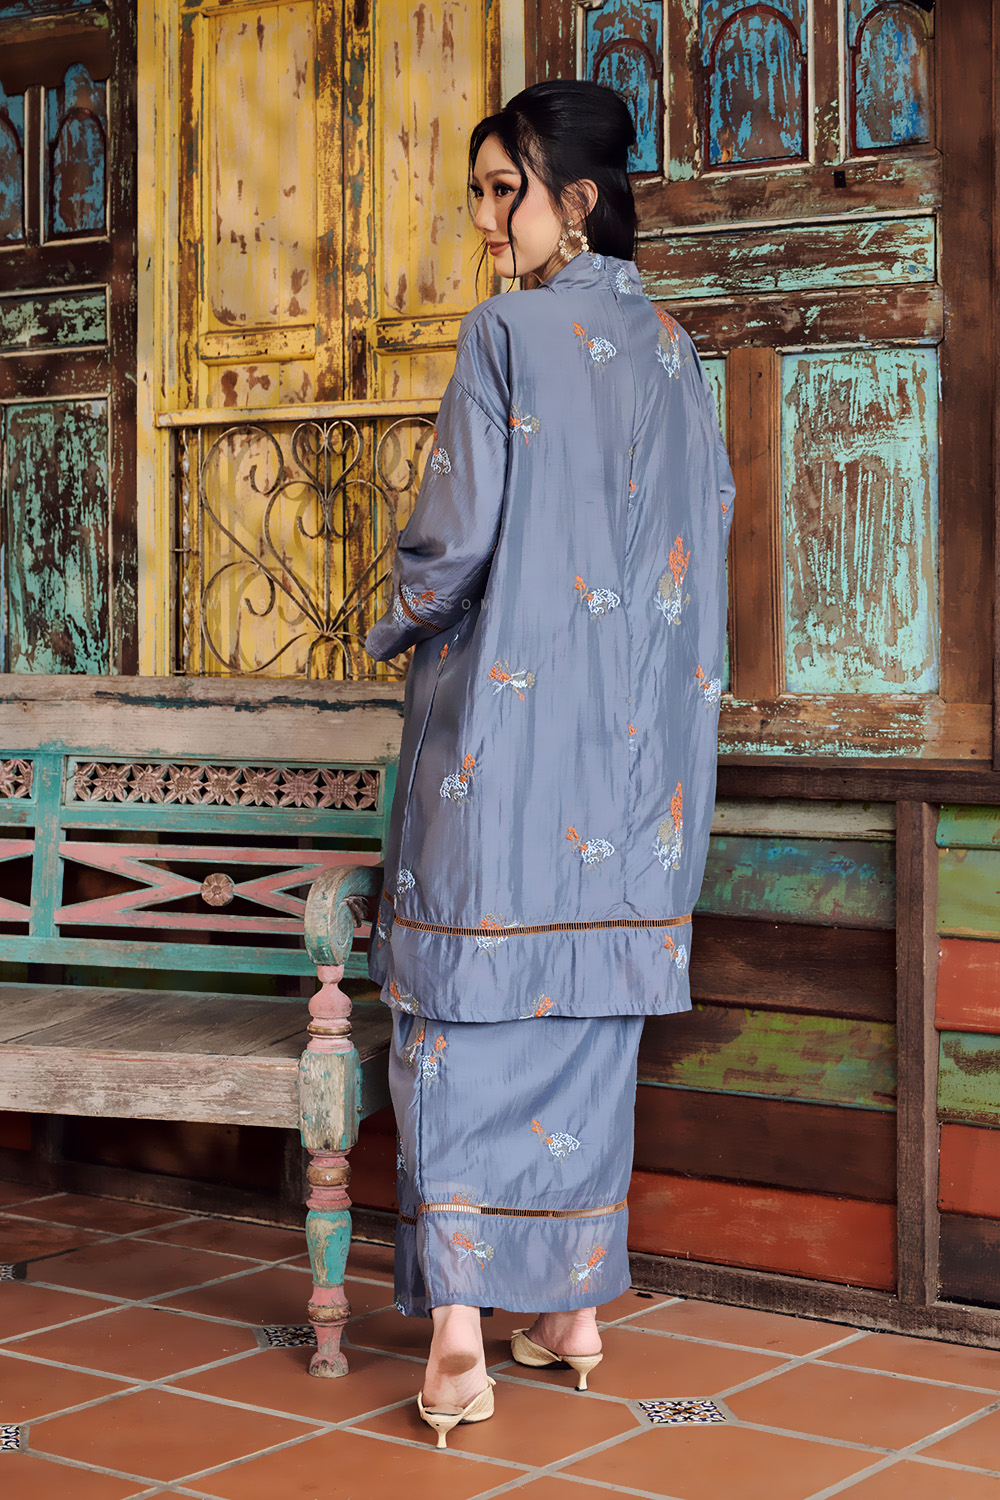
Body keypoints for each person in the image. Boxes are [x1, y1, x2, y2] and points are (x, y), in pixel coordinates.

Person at [364, 78, 735, 1449]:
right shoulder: (680, 350)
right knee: (584, 1021)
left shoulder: (506, 333)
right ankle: (573, 1314)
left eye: (498, 190)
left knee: (459, 1020)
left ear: (573, 201)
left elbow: (454, 539)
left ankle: (460, 1336)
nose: (482, 220)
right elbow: (711, 528)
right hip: (640, 769)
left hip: (507, 759)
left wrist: (394, 614)